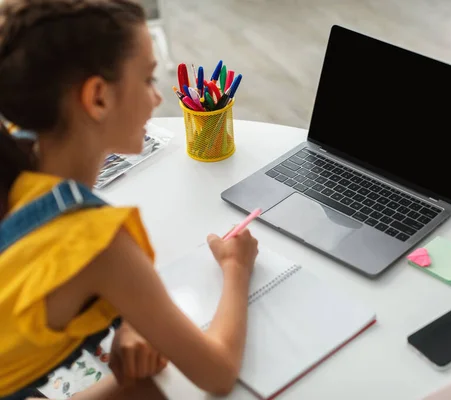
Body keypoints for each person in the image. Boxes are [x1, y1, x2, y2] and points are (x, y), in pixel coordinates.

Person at [0, 0, 259, 399]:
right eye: (148, 79)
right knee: (146, 391)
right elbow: (218, 373)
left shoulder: (16, 149)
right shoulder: (98, 244)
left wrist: (128, 320)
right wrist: (236, 267)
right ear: (98, 97)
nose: (157, 99)